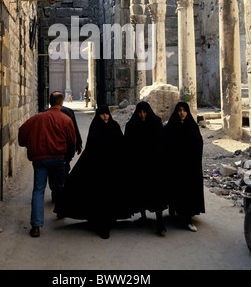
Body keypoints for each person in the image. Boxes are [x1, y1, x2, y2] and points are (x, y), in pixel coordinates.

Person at [56, 105, 132, 239]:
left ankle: (110, 219)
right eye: (102, 114)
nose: (105, 116)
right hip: (97, 167)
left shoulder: (114, 126)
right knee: (99, 196)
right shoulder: (95, 126)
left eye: (107, 114)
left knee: (112, 195)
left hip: (112, 167)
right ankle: (102, 225)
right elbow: (92, 145)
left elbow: (121, 144)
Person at [18, 93, 76, 238]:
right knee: (59, 185)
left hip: (40, 159)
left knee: (38, 190)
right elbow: (71, 141)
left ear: (49, 103)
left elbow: (22, 131)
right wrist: (67, 157)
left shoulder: (37, 118)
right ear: (61, 103)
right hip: (58, 159)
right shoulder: (66, 119)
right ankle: (60, 211)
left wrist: (28, 144)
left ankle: (36, 226)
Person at [124, 101, 168, 235]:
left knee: (157, 194)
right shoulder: (131, 125)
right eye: (140, 112)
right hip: (139, 166)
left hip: (154, 166)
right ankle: (143, 216)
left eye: (144, 112)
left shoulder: (155, 122)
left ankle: (160, 223)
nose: (142, 115)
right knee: (141, 192)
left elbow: (162, 142)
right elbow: (127, 145)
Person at [164, 101, 205, 231]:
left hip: (189, 166)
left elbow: (198, 144)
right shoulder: (171, 126)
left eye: (184, 110)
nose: (182, 113)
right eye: (179, 110)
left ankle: (188, 219)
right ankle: (175, 210)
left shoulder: (192, 126)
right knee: (176, 189)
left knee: (188, 192)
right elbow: (165, 144)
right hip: (175, 166)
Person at [48, 91, 83, 201]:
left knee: (53, 174)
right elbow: (74, 131)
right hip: (64, 150)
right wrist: (78, 144)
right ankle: (61, 196)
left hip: (50, 150)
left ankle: (56, 194)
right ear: (62, 103)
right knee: (64, 172)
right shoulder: (69, 112)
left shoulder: (44, 114)